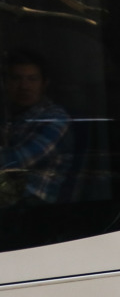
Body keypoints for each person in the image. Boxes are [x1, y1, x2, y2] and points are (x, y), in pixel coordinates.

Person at [1, 48, 71, 207]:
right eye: (16, 78)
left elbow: (16, 161)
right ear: (6, 83)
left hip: (34, 205)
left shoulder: (55, 117)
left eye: (32, 79)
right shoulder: (9, 114)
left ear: (44, 84)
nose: (24, 86)